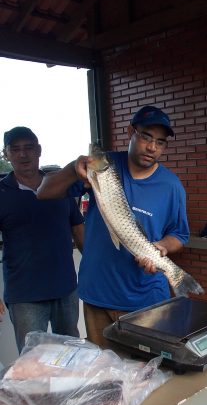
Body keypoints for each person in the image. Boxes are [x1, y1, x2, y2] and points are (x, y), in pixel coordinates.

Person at [37, 105, 190, 348]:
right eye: (146, 137)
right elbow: (44, 193)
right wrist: (73, 169)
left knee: (148, 375)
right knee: (105, 375)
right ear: (131, 132)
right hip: (98, 294)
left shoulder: (171, 186)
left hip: (147, 300)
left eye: (160, 142)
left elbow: (179, 235)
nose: (152, 147)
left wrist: (161, 247)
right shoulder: (102, 166)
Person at [0, 126, 84, 352]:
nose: (22, 154)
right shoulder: (2, 193)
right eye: (15, 149)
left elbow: (78, 229)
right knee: (32, 363)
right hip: (25, 295)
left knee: (72, 355)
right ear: (7, 154)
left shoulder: (60, 188)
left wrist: (95, 269)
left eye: (28, 148)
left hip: (65, 289)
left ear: (39, 151)